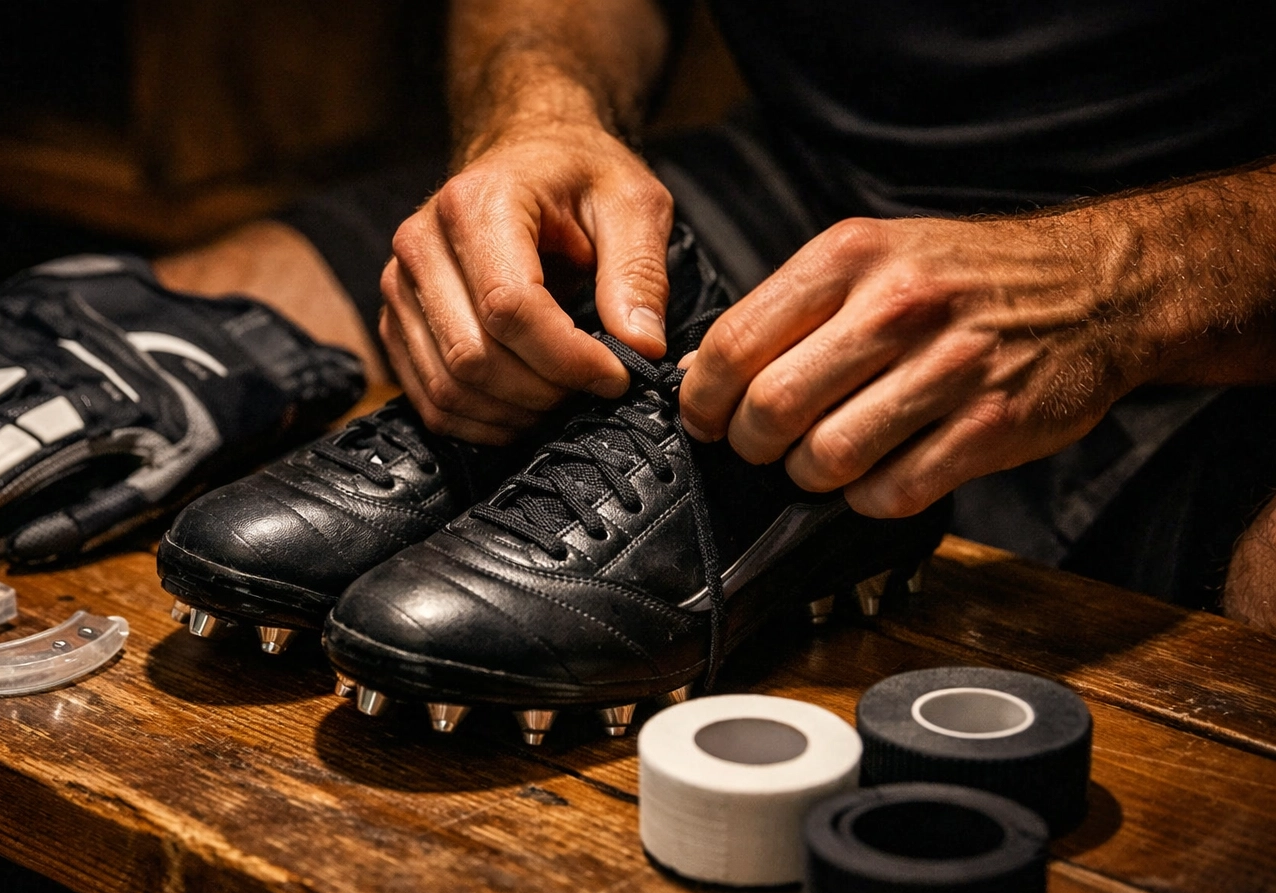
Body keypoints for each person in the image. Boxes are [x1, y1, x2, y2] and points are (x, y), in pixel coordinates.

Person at [155, 0, 1276, 630]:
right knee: (180, 328)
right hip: (795, 182)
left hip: (1220, 279)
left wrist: (1131, 276)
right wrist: (534, 112)